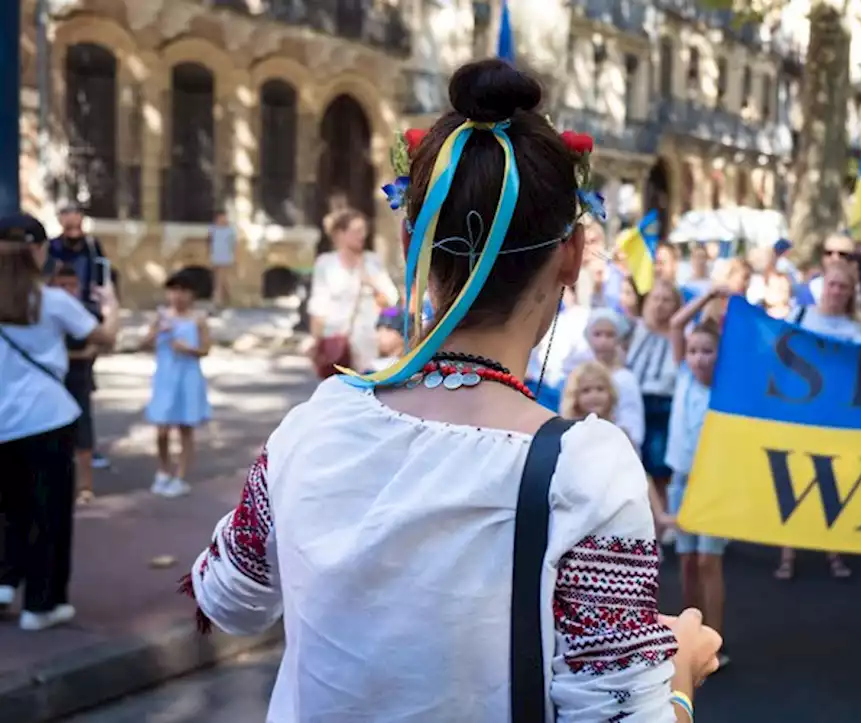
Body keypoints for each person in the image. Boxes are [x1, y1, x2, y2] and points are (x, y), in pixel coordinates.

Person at [182, 59, 720, 720]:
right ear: (574, 256)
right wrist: (683, 671)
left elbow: (226, 596)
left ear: (412, 241)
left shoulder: (314, 423)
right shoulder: (587, 471)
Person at [0, 213, 120, 631]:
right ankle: (41, 605)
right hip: (47, 418)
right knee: (47, 511)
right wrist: (112, 308)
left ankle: (4, 584)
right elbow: (105, 336)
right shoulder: (51, 301)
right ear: (37, 251)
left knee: (10, 508)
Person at [774, 262, 861, 580]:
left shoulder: (858, 330)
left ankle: (834, 552)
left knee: (833, 483)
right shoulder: (800, 318)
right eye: (832, 284)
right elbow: (778, 353)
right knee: (793, 481)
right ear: (822, 286)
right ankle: (787, 554)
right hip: (800, 414)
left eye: (843, 287)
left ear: (851, 293)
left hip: (838, 417)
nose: (836, 291)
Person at [664, 313, 729, 669]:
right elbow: (676, 325)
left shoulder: (725, 388)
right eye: (693, 351)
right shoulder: (684, 377)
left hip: (714, 483)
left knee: (708, 561)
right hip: (682, 480)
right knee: (687, 562)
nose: (699, 358)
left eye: (707, 351)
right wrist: (705, 299)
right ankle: (692, 638)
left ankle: (715, 642)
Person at [45, 204, 111, 470]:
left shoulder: (93, 247)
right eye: (68, 226)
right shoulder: (51, 249)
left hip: (84, 319)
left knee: (82, 386)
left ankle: (86, 446)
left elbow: (103, 277)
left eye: (77, 226)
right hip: (57, 323)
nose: (74, 232)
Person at [143, 271, 212, 498]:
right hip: (165, 378)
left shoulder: (198, 319)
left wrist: (188, 348)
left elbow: (205, 349)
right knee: (162, 429)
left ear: (192, 294)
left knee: (185, 428)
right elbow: (143, 343)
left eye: (183, 291)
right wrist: (156, 334)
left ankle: (180, 476)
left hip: (188, 378)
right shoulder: (161, 317)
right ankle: (163, 470)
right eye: (174, 290)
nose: (178, 296)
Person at [307, 210, 399, 374]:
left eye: (364, 231)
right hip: (336, 340)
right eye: (356, 231)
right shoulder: (326, 263)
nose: (362, 236)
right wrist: (316, 340)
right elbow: (318, 305)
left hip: (368, 341)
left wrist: (370, 281)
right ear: (339, 234)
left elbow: (392, 300)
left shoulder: (372, 261)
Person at [627, 277, 682, 533]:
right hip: (632, 403)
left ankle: (659, 526)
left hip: (663, 405)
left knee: (658, 468)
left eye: (666, 300)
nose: (660, 305)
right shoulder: (634, 329)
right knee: (633, 467)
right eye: (656, 298)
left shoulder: (680, 335)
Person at [48, 266, 100, 504]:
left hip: (80, 381)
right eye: (62, 285)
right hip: (53, 385)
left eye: (72, 285)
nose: (68, 291)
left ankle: (85, 487)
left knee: (84, 435)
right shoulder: (48, 309)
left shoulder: (86, 311)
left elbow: (97, 344)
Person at [573, 308, 644, 447]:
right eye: (598, 334)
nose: (603, 341)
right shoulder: (579, 373)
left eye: (609, 335)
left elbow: (633, 423)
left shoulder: (625, 378)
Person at [208, 210, 237, 309]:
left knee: (219, 279)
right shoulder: (212, 228)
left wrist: (233, 257)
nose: (222, 219)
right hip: (216, 256)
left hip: (226, 256)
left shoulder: (230, 230)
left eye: (224, 217)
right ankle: (228, 299)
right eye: (220, 217)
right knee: (222, 279)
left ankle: (217, 301)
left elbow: (233, 245)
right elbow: (210, 242)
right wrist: (210, 254)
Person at [368, 307, 407, 374]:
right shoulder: (371, 367)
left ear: (402, 335)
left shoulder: (410, 367)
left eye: (387, 329)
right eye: (378, 330)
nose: (378, 336)